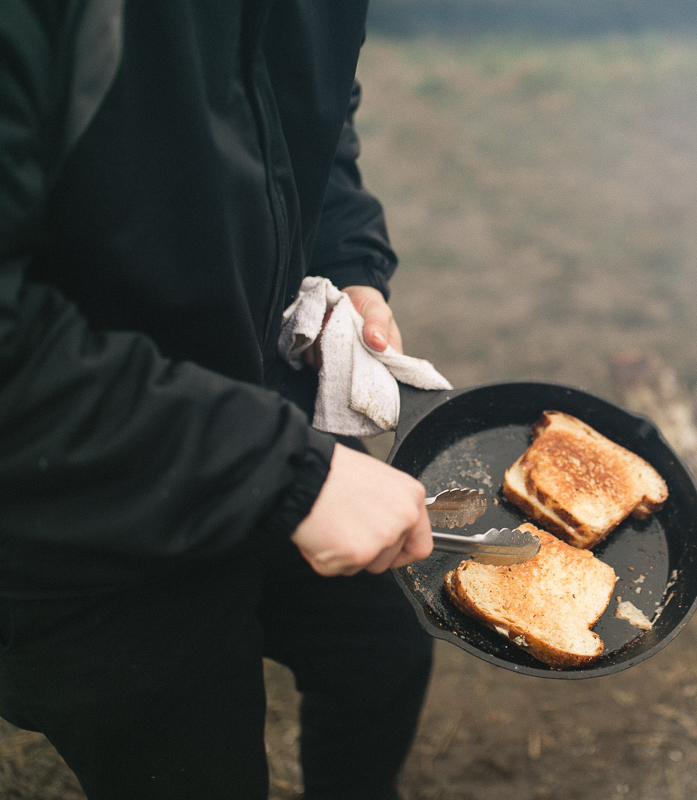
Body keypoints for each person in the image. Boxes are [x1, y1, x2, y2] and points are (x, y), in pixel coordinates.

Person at [0, 2, 437, 798]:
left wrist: (348, 255)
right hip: (76, 510)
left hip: (253, 410)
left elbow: (303, 108)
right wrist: (280, 472)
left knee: (385, 651)